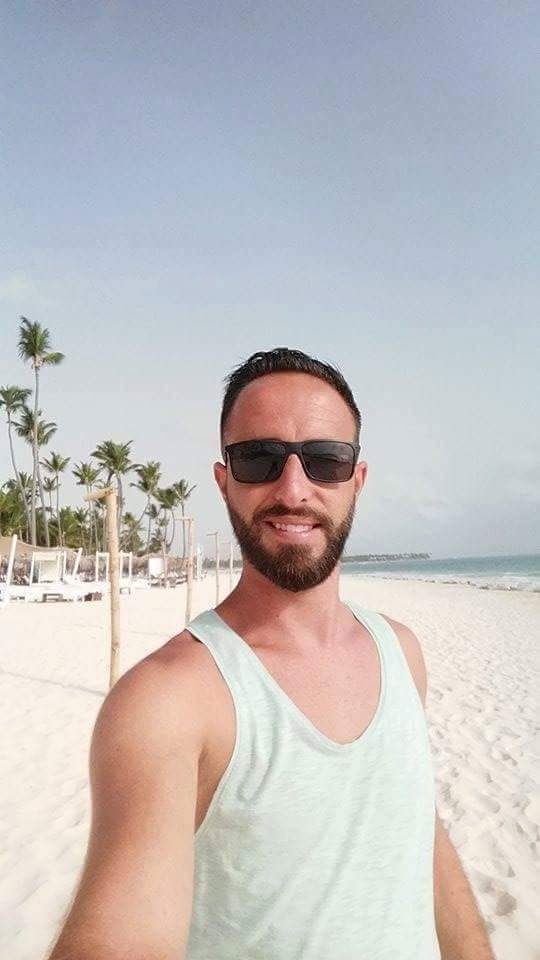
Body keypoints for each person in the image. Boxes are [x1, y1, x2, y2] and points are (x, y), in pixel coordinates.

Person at [47, 348, 494, 959]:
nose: (293, 489)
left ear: (357, 480)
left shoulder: (402, 652)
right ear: (224, 480)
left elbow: (423, 835)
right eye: (259, 458)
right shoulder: (170, 700)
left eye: (325, 461)